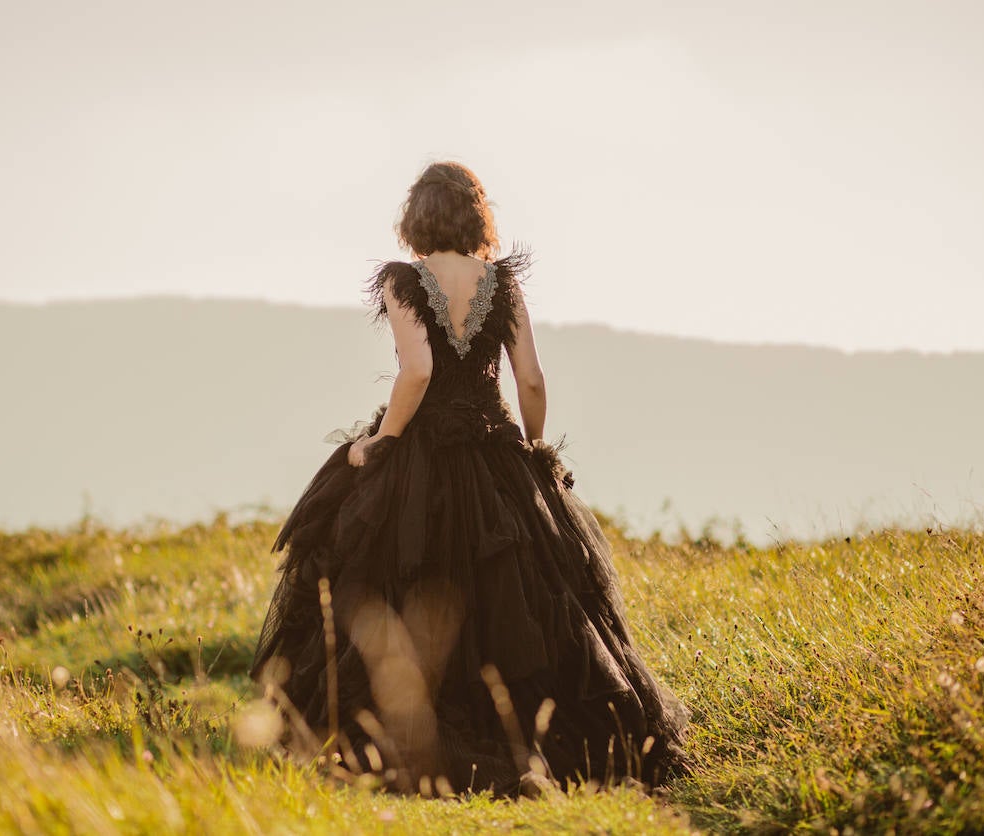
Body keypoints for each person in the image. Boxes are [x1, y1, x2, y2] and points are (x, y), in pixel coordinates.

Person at [249, 161, 690, 797]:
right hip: (495, 455)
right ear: (476, 217)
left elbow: (418, 371)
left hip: (421, 456)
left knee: (398, 585)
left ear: (416, 219)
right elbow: (530, 379)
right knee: (521, 600)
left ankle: (404, 732)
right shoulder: (504, 285)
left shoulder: (404, 280)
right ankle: (536, 743)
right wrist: (534, 449)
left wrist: (380, 442)